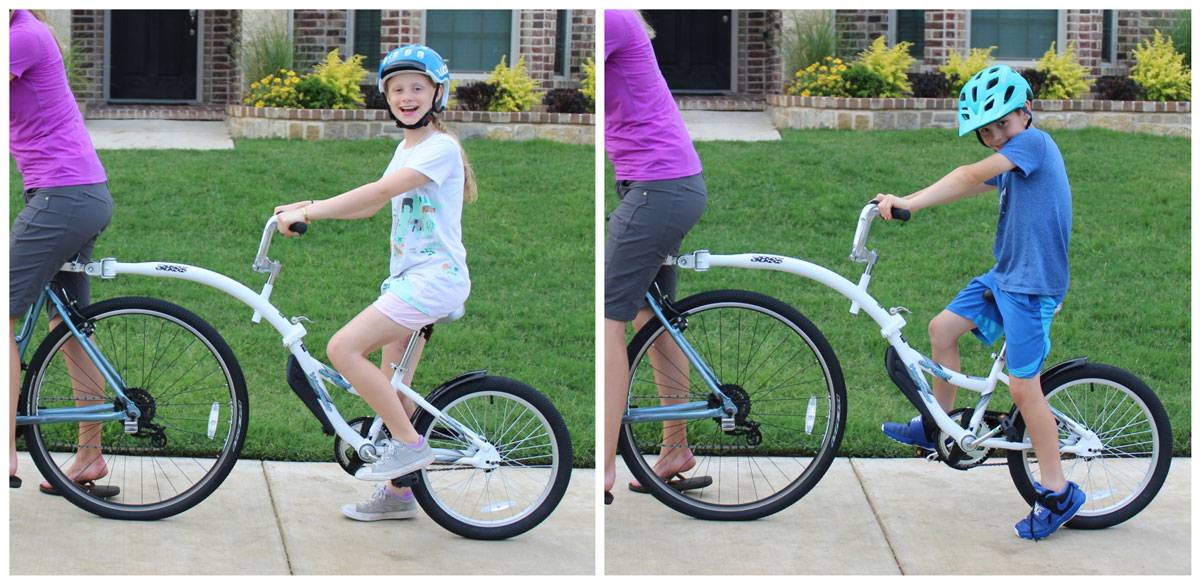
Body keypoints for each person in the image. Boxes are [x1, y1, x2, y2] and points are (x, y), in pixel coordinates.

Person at [873, 64, 1081, 540]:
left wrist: (909, 201)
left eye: (1002, 125)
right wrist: (909, 199)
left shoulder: (1033, 145)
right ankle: (938, 425)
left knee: (1024, 391)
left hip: (1032, 289)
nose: (996, 138)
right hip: (1004, 277)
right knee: (941, 330)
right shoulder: (1012, 158)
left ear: (1027, 111)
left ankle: (1057, 490)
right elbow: (966, 187)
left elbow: (967, 174)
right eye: (987, 132)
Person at [273, 45, 477, 521]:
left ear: (437, 94)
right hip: (409, 279)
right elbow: (371, 204)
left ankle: (410, 445)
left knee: (343, 349)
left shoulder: (440, 148)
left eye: (417, 88)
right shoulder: (406, 147)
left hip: (433, 281)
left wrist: (309, 211)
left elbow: (381, 191)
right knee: (394, 387)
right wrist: (311, 206)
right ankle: (399, 493)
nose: (406, 97)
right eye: (397, 89)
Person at [9, 9, 117, 498]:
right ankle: (90, 458)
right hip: (75, 193)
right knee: (68, 326)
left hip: (64, 195)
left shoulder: (22, 37)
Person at [603, 10, 708, 505]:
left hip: (657, 189)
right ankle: (674, 450)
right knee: (652, 316)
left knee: (610, 319)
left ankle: (603, 463)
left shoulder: (609, 17)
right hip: (663, 185)